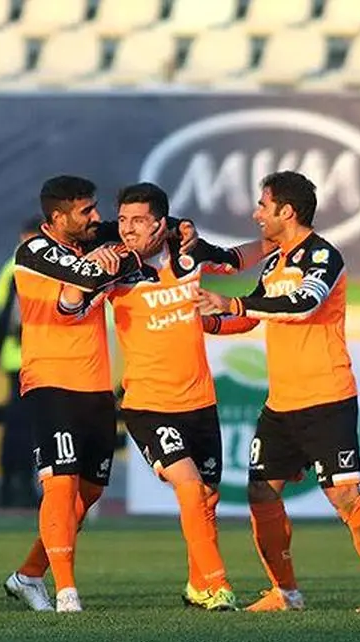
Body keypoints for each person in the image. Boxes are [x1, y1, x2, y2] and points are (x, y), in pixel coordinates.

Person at [196, 170, 360, 613]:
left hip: (327, 397)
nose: (256, 214)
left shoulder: (323, 256)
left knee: (344, 496)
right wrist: (207, 322)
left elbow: (303, 304)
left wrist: (233, 302)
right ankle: (286, 592)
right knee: (261, 493)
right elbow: (252, 316)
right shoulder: (274, 262)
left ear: (287, 211)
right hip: (282, 403)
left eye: (263, 205)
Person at [59, 183, 271, 611]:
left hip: (200, 402)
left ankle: (197, 585)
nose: (128, 229)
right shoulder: (116, 267)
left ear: (161, 224)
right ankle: (218, 585)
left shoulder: (190, 256)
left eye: (138, 221)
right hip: (148, 405)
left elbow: (240, 259)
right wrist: (84, 274)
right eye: (123, 220)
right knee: (189, 487)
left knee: (207, 497)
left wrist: (281, 244)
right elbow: (67, 306)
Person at [0, 175, 159, 613]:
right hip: (49, 382)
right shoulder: (34, 250)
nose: (97, 217)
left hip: (95, 385)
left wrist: (170, 228)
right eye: (86, 211)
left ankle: (29, 575)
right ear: (57, 217)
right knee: (60, 482)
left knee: (88, 494)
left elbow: (136, 233)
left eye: (95, 208)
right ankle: (67, 592)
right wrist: (126, 254)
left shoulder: (90, 241)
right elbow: (87, 274)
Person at [0, 216, 44, 509]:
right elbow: (7, 313)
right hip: (23, 357)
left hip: (21, 357)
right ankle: (17, 488)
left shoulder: (13, 266)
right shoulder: (23, 266)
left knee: (20, 426)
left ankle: (11, 487)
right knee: (24, 427)